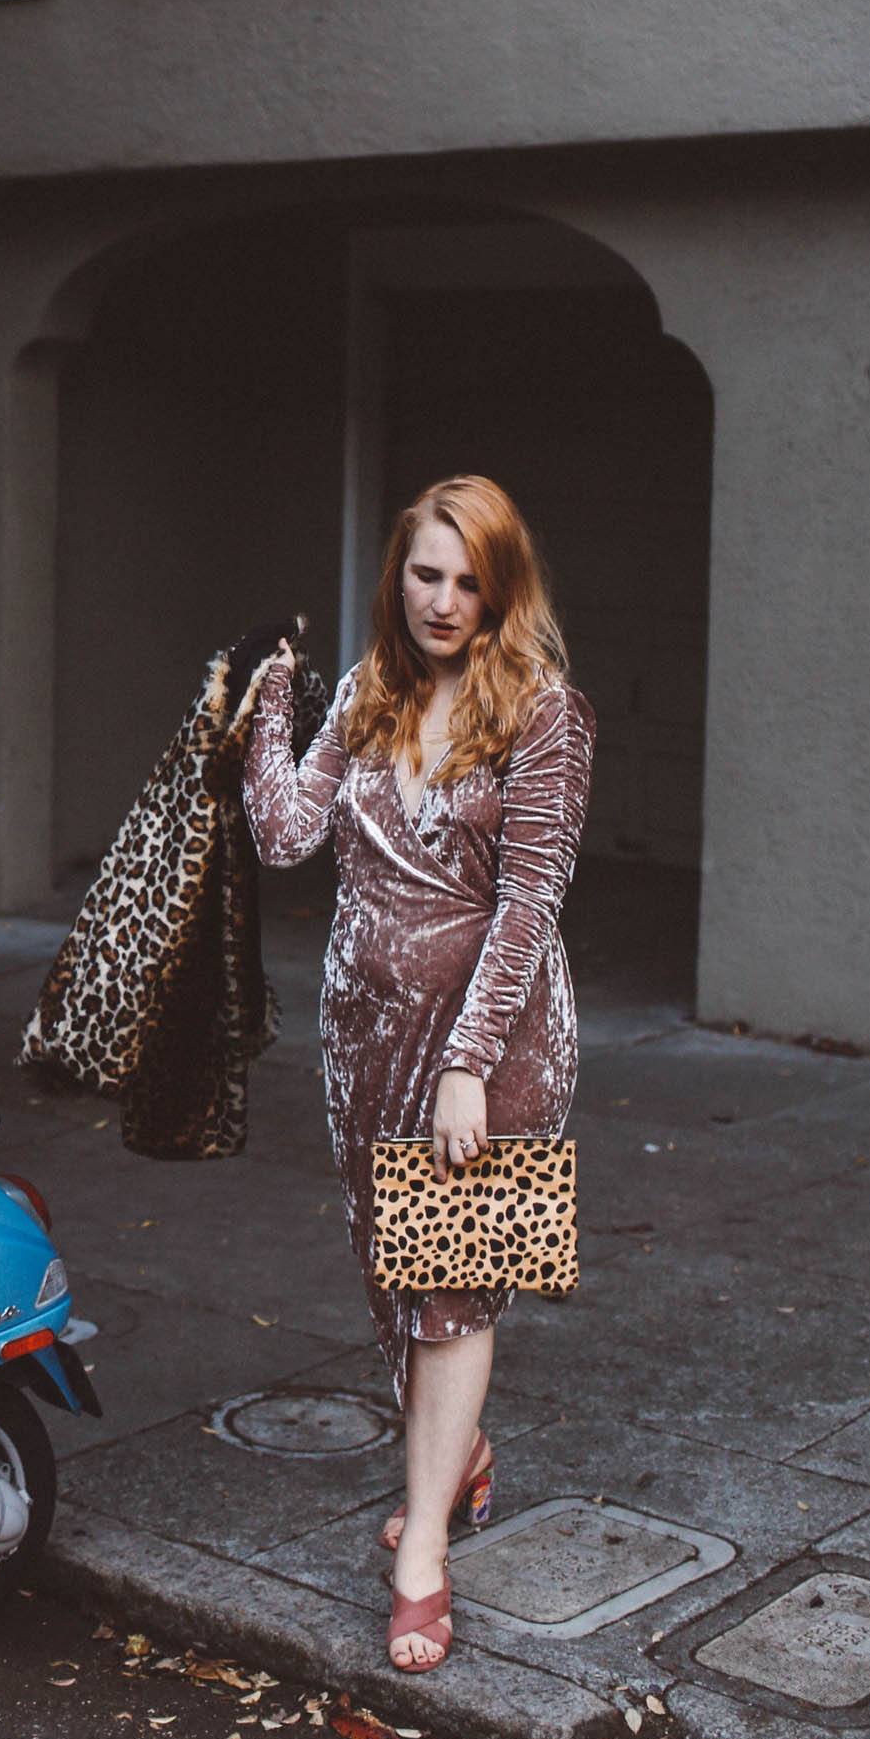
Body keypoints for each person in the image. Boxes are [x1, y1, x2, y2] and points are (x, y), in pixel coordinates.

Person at [240, 475, 595, 1673]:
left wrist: (464, 1065)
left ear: (500, 587)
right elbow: (286, 836)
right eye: (422, 574)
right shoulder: (368, 689)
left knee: (448, 1290)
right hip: (362, 1038)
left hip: (487, 1047)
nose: (441, 601)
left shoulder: (543, 712)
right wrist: (271, 705)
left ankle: (422, 1555)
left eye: (466, 580)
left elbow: (527, 903)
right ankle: (460, 1457)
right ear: (396, 577)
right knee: (395, 1283)